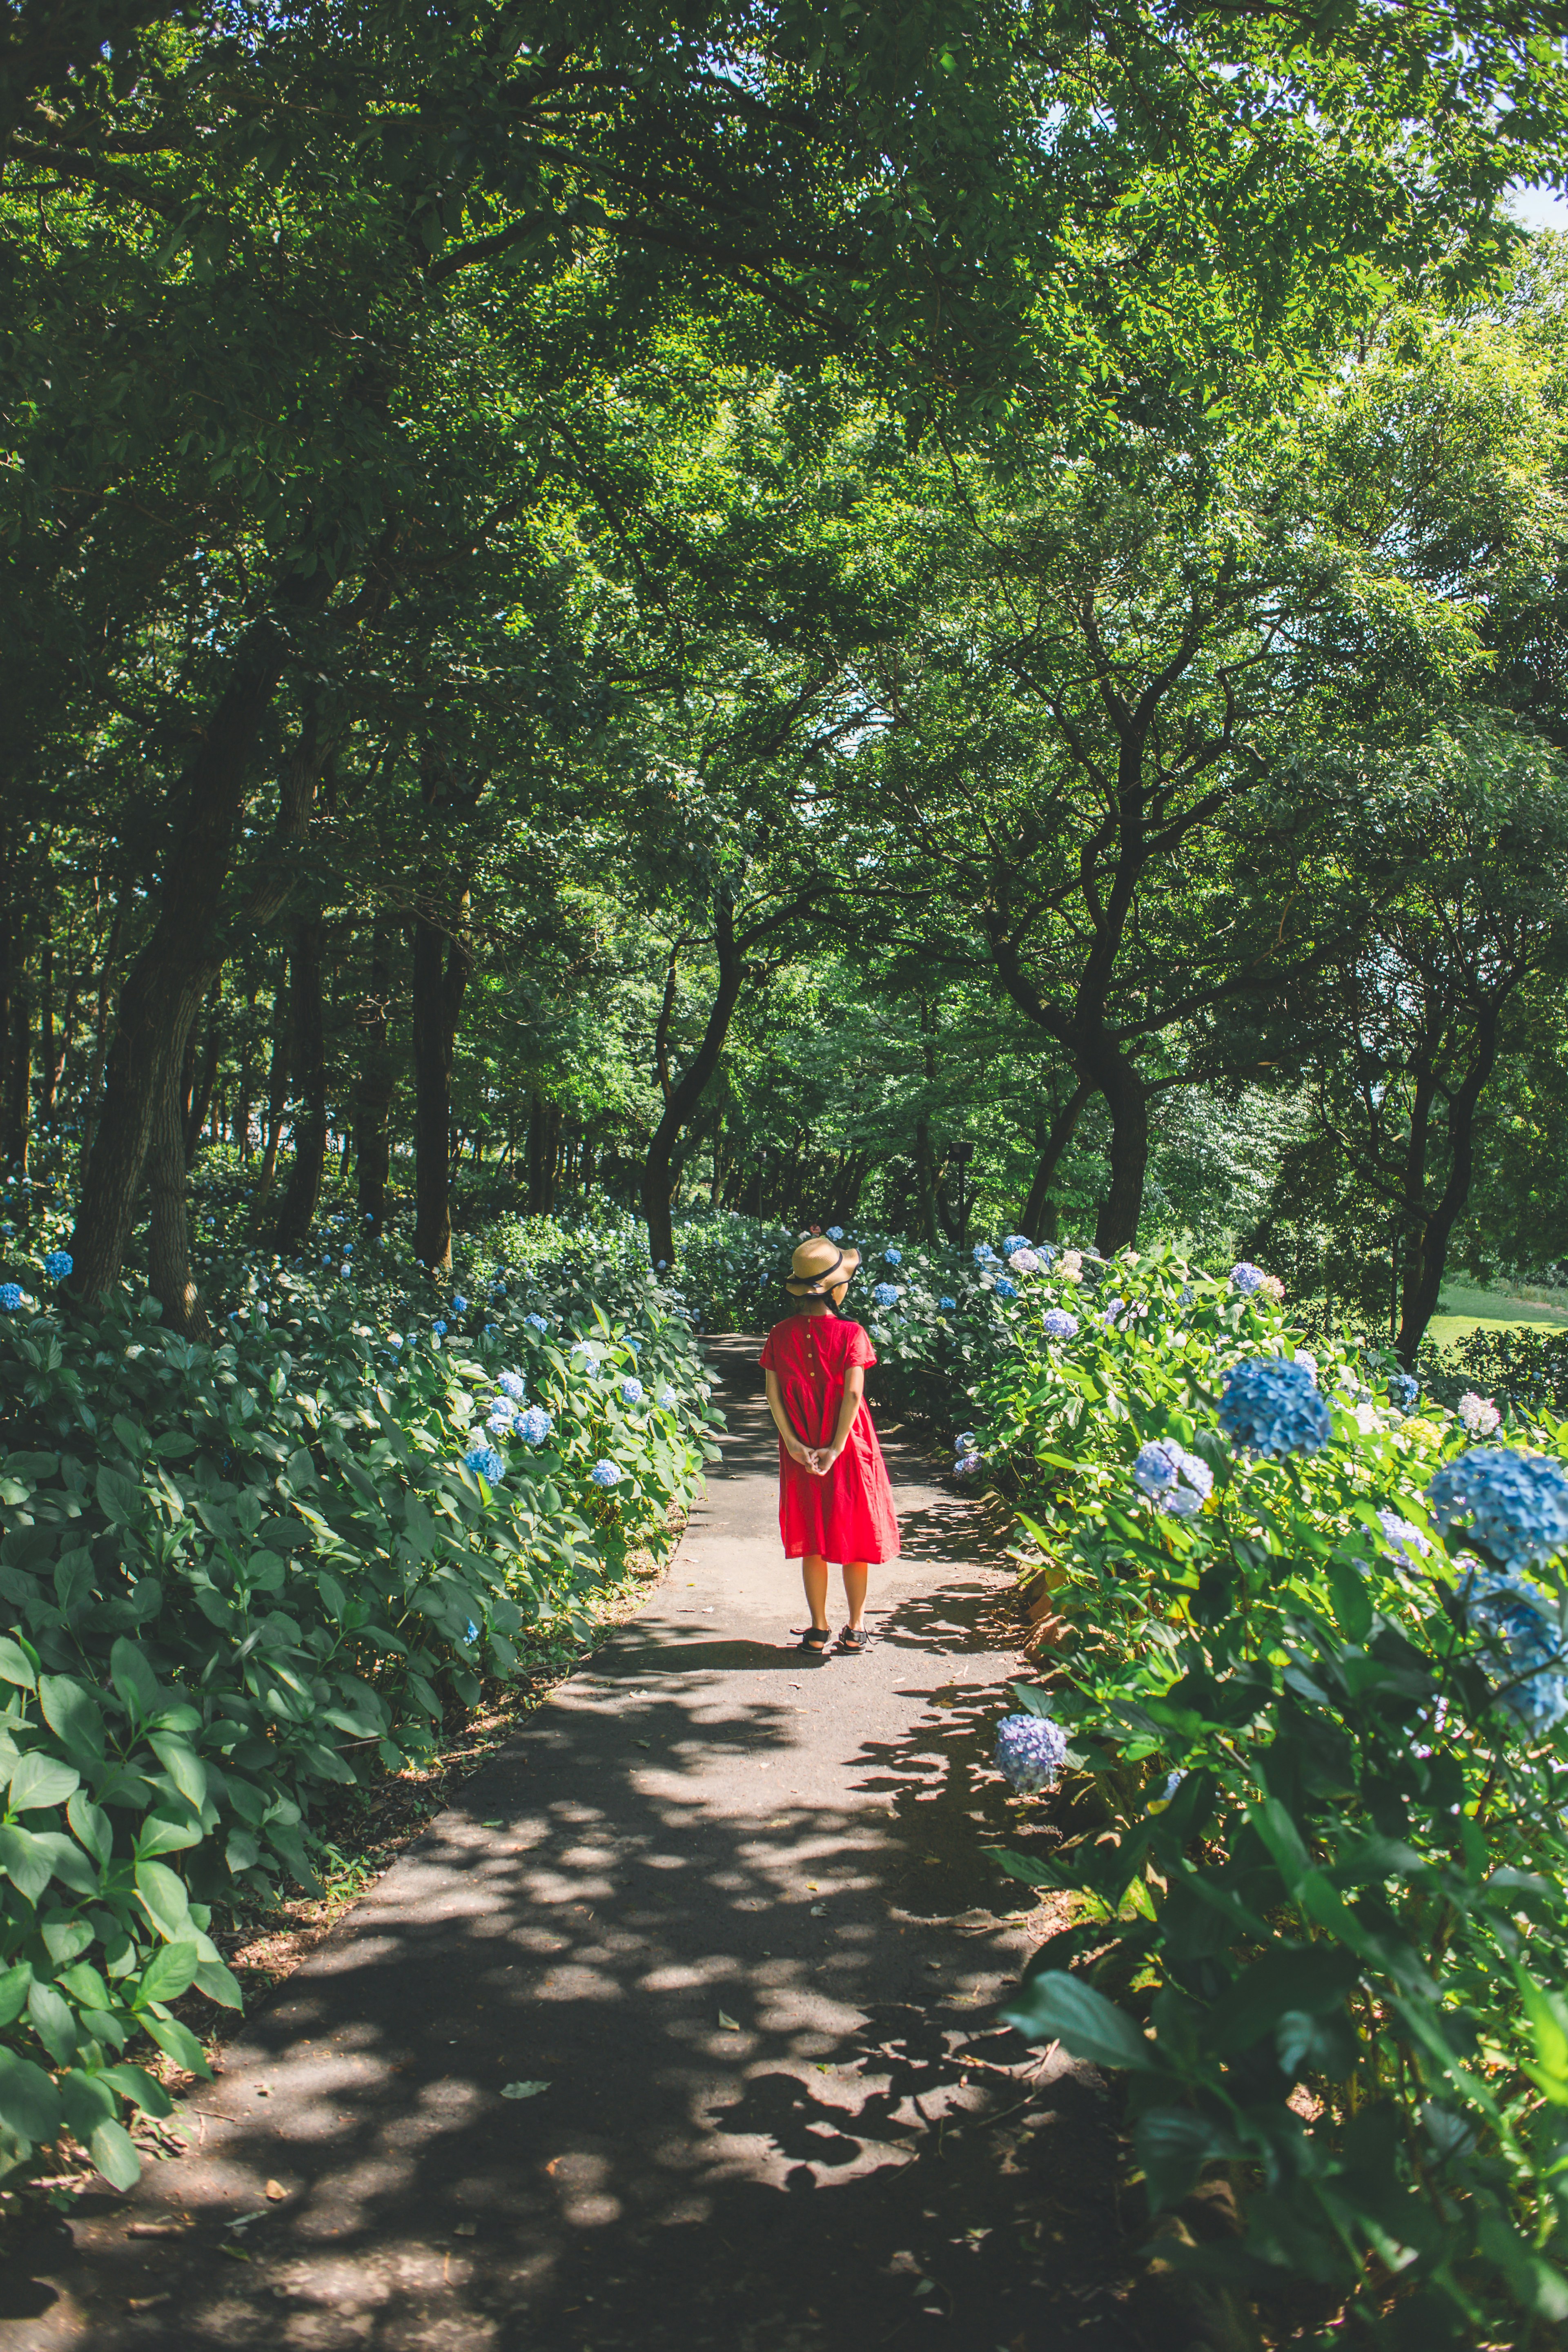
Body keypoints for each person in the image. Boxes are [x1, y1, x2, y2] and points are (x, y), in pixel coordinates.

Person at [759, 1236, 901, 1655]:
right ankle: (856, 1627)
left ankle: (818, 1628)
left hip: (800, 1446)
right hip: (848, 1445)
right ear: (834, 1289)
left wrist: (796, 1444)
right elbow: (853, 1396)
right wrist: (836, 1447)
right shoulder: (852, 1333)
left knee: (813, 1535)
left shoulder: (779, 1334)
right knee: (854, 1531)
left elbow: (773, 1395)